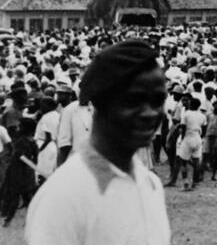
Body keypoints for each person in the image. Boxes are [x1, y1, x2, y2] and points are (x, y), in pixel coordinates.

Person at [25, 39, 171, 244]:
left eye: (157, 101)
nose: (149, 113)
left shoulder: (150, 184)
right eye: (132, 100)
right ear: (100, 103)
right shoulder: (64, 196)